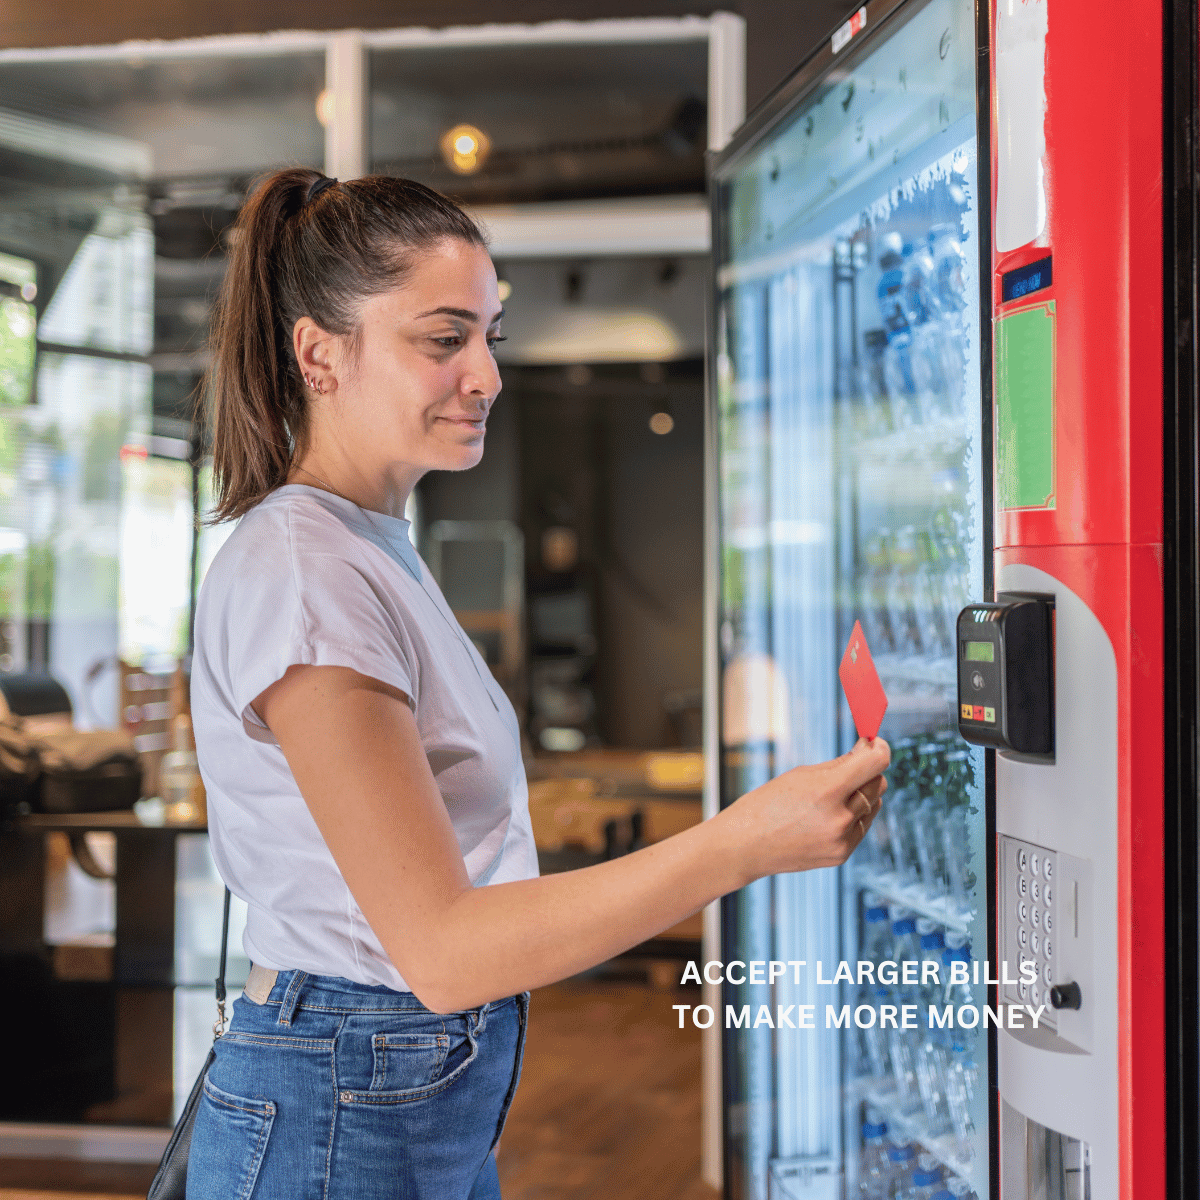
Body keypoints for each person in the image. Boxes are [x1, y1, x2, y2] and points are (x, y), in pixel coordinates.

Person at [186, 167, 890, 1200]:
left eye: (491, 336)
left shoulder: (367, 547)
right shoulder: (309, 571)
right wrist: (742, 844)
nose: (486, 375)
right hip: (346, 1092)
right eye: (444, 339)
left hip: (392, 1085)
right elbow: (443, 950)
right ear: (318, 353)